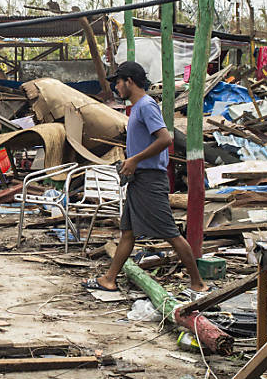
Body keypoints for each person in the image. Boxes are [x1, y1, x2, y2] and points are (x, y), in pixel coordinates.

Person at [83, 61, 207, 294]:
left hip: (150, 179)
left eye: (118, 82)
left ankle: (197, 283)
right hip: (139, 179)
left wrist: (135, 160)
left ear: (129, 81)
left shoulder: (147, 105)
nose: (117, 88)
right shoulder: (138, 107)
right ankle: (109, 279)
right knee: (128, 231)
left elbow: (165, 139)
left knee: (170, 233)